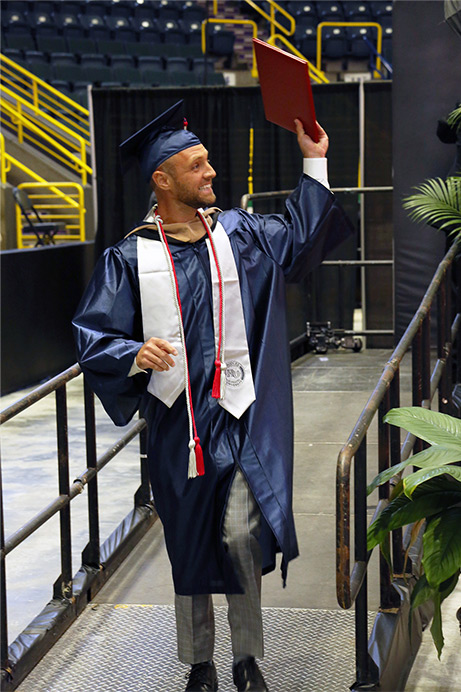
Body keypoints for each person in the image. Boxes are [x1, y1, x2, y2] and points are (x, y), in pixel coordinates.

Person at [73, 100, 353, 692]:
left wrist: (314, 163)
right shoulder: (129, 258)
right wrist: (130, 355)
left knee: (240, 534)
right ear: (163, 179)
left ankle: (246, 657)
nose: (211, 174)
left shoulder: (242, 234)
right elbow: (93, 333)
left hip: (241, 416)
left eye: (207, 164)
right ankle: (200, 663)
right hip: (180, 425)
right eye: (197, 166)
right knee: (190, 541)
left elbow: (302, 239)